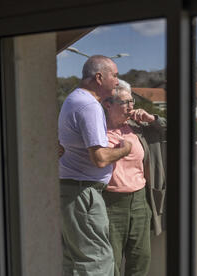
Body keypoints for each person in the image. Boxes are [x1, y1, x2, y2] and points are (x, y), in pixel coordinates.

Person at [58, 55, 132, 276]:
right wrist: (124, 149)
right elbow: (99, 158)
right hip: (83, 193)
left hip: (71, 190)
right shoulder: (89, 105)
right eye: (115, 76)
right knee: (97, 261)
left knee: (76, 261)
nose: (117, 81)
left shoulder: (73, 99)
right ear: (99, 77)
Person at [101, 79, 167, 276]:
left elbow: (171, 129)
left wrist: (151, 119)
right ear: (108, 104)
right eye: (125, 102)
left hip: (140, 202)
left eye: (132, 102)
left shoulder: (138, 128)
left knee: (140, 261)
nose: (131, 107)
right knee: (109, 262)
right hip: (109, 204)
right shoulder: (97, 130)